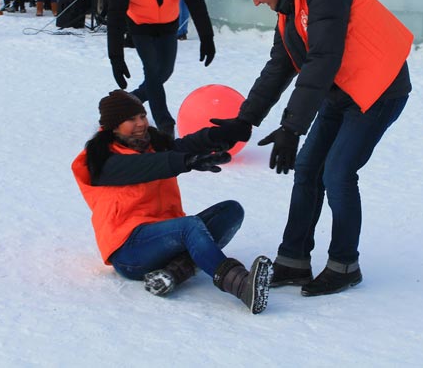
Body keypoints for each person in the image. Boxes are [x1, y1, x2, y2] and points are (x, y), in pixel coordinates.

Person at [211, 0, 414, 296]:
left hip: (379, 91)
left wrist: (292, 127)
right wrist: (245, 120)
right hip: (342, 90)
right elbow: (280, 65)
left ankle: (345, 265)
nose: (255, 2)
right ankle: (293, 260)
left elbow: (322, 58)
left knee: (337, 173)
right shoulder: (289, 6)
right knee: (307, 168)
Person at [71, 90, 272, 314]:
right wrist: (186, 162)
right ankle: (240, 284)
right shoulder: (102, 161)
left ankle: (174, 273)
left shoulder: (152, 145)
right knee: (189, 226)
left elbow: (184, 146)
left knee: (231, 210)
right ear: (113, 126)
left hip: (164, 240)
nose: (141, 123)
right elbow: (146, 165)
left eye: (142, 116)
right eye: (131, 119)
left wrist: (218, 135)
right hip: (129, 253)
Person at [107, 0, 216, 138]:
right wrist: (116, 58)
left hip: (168, 26)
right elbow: (115, 17)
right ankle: (165, 124)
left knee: (165, 71)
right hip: (141, 28)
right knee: (152, 71)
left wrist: (207, 37)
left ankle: (130, 100)